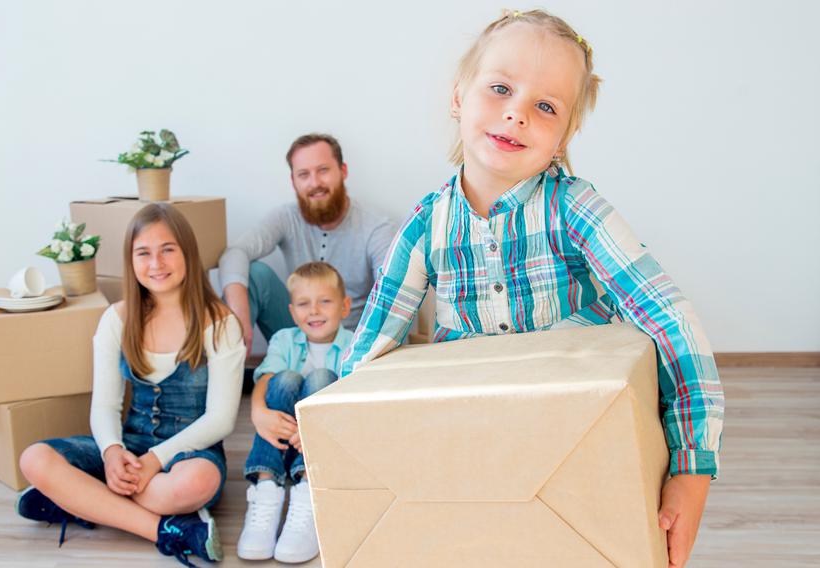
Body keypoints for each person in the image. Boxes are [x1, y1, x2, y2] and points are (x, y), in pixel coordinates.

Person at [341, 10, 724, 568]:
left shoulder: (576, 210)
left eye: (546, 106)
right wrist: (339, 428)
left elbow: (669, 316)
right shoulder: (426, 225)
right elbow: (373, 340)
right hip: (475, 441)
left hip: (579, 436)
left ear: (563, 137)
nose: (517, 112)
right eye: (500, 88)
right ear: (458, 97)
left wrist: (692, 467)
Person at [16, 203, 245, 567]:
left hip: (188, 452)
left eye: (168, 249)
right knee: (34, 458)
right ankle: (168, 531)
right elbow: (105, 406)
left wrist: (156, 460)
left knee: (196, 483)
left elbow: (220, 420)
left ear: (188, 252)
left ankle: (82, 501)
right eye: (144, 253)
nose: (156, 263)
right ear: (131, 260)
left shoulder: (218, 322)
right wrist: (111, 453)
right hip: (129, 445)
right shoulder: (117, 319)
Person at [218, 133, 395, 357]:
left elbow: (393, 295)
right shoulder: (285, 217)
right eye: (304, 174)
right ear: (293, 181)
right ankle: (228, 378)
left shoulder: (376, 227)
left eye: (323, 170)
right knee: (255, 274)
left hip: (351, 343)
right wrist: (239, 316)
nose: (315, 183)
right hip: (298, 335)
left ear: (343, 171)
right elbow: (236, 252)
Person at [236, 262, 353, 563]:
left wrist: (314, 432)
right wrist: (258, 413)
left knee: (321, 379)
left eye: (324, 301)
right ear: (292, 311)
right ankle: (266, 488)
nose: (313, 311)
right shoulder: (283, 340)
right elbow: (264, 379)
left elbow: (354, 408)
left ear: (344, 306)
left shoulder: (355, 346)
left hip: (323, 449)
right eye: (304, 304)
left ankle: (307, 491)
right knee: (286, 378)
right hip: (281, 442)